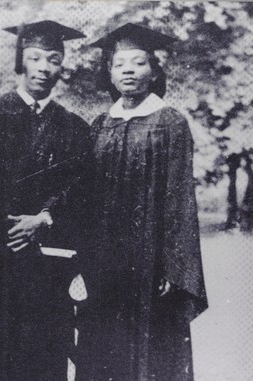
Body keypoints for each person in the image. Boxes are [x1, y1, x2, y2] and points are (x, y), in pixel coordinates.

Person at [0, 20, 91, 380]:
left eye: (54, 59)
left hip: (48, 270)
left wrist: (43, 219)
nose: (44, 68)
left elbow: (79, 188)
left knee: (44, 362)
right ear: (21, 60)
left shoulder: (74, 127)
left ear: (62, 66)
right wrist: (14, 229)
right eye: (35, 57)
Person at [77, 23, 208, 381]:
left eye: (138, 63)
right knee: (102, 347)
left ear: (153, 70)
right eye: (120, 64)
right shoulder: (100, 124)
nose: (129, 71)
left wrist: (174, 266)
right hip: (103, 262)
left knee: (152, 353)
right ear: (110, 73)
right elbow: (84, 195)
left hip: (150, 263)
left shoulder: (171, 123)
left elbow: (180, 198)